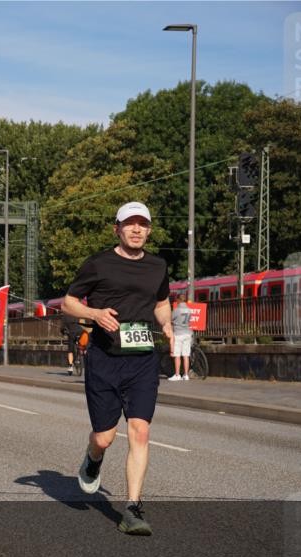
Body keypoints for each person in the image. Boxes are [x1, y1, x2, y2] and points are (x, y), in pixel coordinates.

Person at [62, 201, 173, 537]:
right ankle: (93, 457)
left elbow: (162, 302)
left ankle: (133, 508)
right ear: (117, 228)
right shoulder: (98, 264)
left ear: (149, 230)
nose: (137, 229)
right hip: (104, 358)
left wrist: (166, 325)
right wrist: (95, 315)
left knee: (140, 431)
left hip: (142, 359)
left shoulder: (157, 266)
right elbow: (68, 302)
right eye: (130, 224)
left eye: (143, 224)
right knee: (106, 437)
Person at [170, 293, 193, 381]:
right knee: (186, 355)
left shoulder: (177, 310)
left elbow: (171, 319)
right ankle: (186, 375)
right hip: (188, 333)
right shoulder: (189, 310)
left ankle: (177, 375)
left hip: (178, 333)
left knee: (177, 355)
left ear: (178, 300)